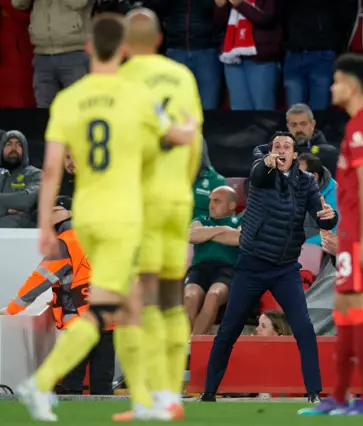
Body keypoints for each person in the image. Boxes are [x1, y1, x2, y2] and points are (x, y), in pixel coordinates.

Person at [16, 13, 196, 422]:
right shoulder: (134, 95)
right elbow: (178, 138)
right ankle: (42, 382)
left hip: (86, 217)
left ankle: (144, 401)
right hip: (124, 216)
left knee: (128, 305)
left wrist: (45, 225)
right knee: (107, 309)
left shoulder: (67, 99)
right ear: (124, 50)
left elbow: (51, 172)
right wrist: (184, 128)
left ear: (86, 48)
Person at [200, 131, 337, 403]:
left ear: (295, 155)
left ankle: (313, 391)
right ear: (271, 151)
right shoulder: (260, 170)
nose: (282, 150)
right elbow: (260, 174)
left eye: (287, 146)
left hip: (285, 268)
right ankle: (208, 391)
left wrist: (330, 217)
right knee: (229, 328)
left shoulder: (307, 182)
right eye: (277, 146)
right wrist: (267, 163)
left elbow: (322, 219)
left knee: (303, 327)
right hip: (251, 266)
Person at [299, 53, 363, 416]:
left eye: (337, 80)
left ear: (353, 85)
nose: (331, 87)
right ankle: (339, 396)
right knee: (346, 311)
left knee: (359, 310)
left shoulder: (361, 126)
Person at [115, 8, 203, 420]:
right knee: (170, 298)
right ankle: (171, 395)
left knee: (137, 297)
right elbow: (194, 141)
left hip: (142, 200)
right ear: (160, 38)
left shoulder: (123, 79)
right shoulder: (182, 76)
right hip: (176, 200)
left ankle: (145, 396)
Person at [2, 196, 115, 396]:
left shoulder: (65, 241)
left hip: (81, 319)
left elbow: (40, 280)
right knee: (102, 380)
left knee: (72, 379)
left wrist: (13, 308)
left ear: (68, 213)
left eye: (55, 211)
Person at [185, 186, 242, 335]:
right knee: (190, 297)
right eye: (211, 201)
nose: (211, 205)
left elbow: (238, 239)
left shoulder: (241, 220)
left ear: (232, 205)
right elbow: (191, 236)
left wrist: (207, 234)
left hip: (227, 268)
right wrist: (223, 229)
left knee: (213, 295)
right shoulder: (201, 219)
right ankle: (184, 345)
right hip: (199, 267)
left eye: (217, 201)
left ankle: (193, 344)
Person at [0, 130, 42, 228]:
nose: (13, 148)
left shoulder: (36, 174)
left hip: (24, 235)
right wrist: (5, 209)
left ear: (25, 150)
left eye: (19, 144)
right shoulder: (1, 176)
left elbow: (27, 201)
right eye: (9, 144)